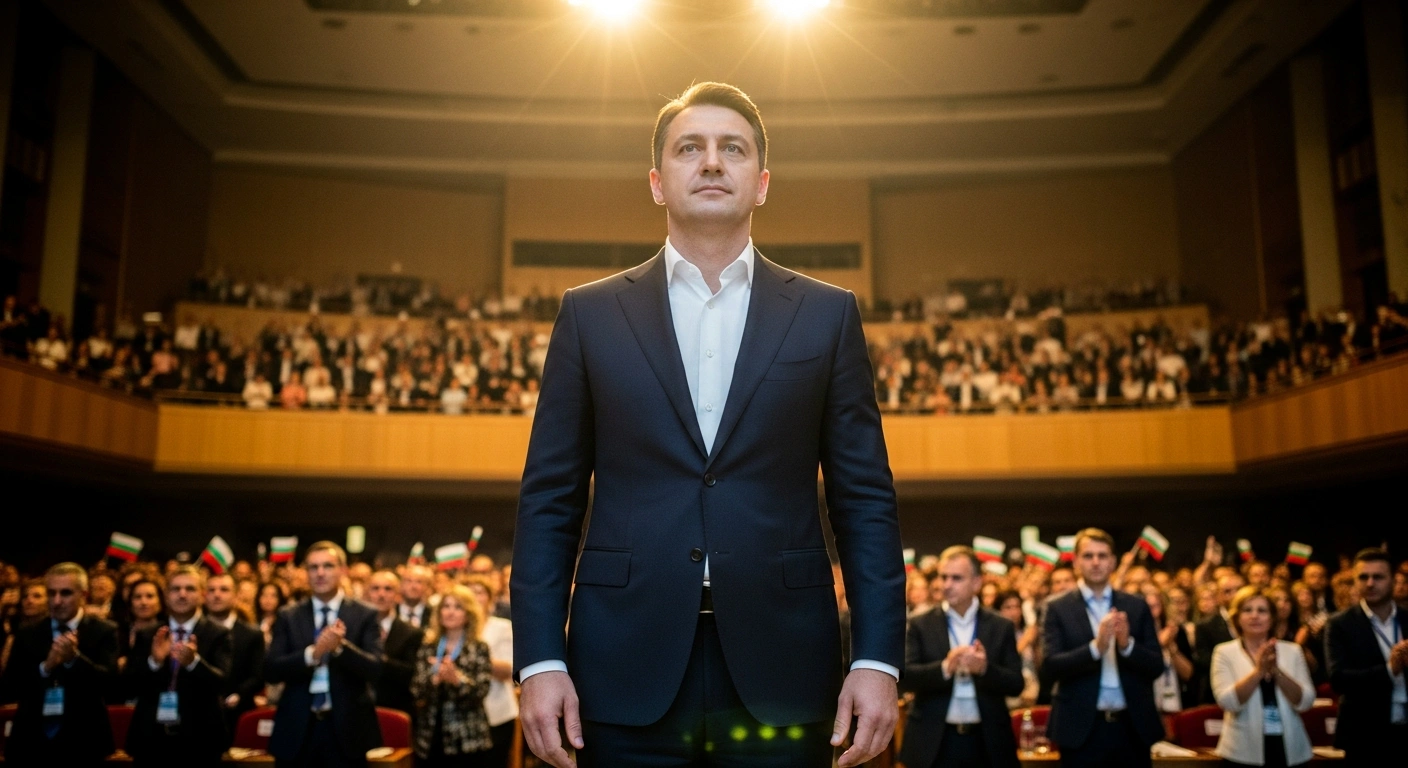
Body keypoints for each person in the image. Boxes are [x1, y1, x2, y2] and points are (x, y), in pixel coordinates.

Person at [511, 81, 904, 768]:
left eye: (734, 149)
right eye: (691, 148)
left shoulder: (827, 314)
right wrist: (539, 659)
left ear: (762, 183)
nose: (713, 162)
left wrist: (877, 659)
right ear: (659, 182)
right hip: (620, 667)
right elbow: (549, 502)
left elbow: (865, 502)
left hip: (784, 667)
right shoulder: (589, 315)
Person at [1041, 529, 1164, 768]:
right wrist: (1095, 648)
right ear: (1075, 561)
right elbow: (1050, 666)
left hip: (1131, 727)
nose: (1096, 562)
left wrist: (1127, 646)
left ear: (1113, 562)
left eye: (1102, 555)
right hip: (1080, 729)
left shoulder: (1136, 605)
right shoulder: (1057, 607)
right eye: (1088, 556)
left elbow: (1156, 665)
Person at [264, 541, 384, 768]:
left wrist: (339, 648)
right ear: (305, 572)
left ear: (343, 570)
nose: (320, 573)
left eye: (327, 566)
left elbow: (375, 669)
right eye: (313, 567)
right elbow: (270, 670)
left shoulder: (364, 613)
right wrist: (313, 654)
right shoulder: (289, 615)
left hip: (347, 730)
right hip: (298, 728)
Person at [899, 547, 1022, 768]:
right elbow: (906, 676)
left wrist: (984, 668)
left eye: (956, 578)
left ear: (976, 582)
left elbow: (1016, 683)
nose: (946, 584)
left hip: (987, 741)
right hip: (934, 740)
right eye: (944, 577)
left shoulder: (1000, 625)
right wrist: (946, 667)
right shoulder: (921, 623)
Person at [0, 562, 120, 768]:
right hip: (32, 740)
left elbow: (110, 684)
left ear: (83, 595)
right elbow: (10, 685)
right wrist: (46, 667)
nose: (56, 601)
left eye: (65, 593)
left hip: (85, 739)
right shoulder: (27, 632)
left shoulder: (104, 631)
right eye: (51, 593)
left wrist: (74, 659)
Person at [121, 566, 234, 768]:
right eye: (175, 589)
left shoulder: (218, 633)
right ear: (166, 595)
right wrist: (154, 662)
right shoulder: (148, 634)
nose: (182, 594)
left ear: (202, 594)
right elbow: (128, 685)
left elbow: (222, 683)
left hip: (201, 738)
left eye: (190, 589)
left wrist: (194, 663)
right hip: (152, 737)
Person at [1210, 586, 1316, 767]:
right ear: (1237, 617)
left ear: (1272, 617)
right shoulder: (1224, 652)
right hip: (1241, 752)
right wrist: (1259, 671)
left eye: (1262, 610)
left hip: (1290, 749)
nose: (1254, 616)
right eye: (1247, 610)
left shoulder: (1292, 651)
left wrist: (1276, 671)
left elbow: (1306, 701)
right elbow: (1227, 701)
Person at [1324, 548, 1408, 766]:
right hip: (1364, 734)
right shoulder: (1340, 624)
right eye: (1363, 577)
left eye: (1378, 577)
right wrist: (1389, 670)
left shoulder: (1407, 619)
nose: (1370, 583)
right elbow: (1339, 679)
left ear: (1393, 580)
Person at [410, 584, 495, 767]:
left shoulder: (478, 647)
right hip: (430, 736)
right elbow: (415, 689)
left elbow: (482, 690)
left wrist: (457, 680)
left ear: (468, 614)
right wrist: (435, 679)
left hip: (467, 739)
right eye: (446, 606)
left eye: (458, 607)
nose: (450, 612)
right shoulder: (428, 645)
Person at [206, 572, 267, 744]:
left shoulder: (252, 634)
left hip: (238, 714)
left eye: (224, 590)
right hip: (200, 713)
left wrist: (239, 694)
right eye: (211, 590)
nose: (217, 595)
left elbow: (258, 675)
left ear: (235, 595)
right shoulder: (196, 631)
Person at [467, 575, 518, 768]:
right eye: (469, 592)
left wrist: (472, 658)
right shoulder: (454, 628)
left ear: (489, 598)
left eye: (479, 592)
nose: (474, 597)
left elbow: (509, 669)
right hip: (464, 714)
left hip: (496, 710)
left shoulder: (501, 626)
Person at [367, 569, 424, 722]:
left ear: (398, 595)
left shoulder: (411, 632)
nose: (381, 594)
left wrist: (378, 660)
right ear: (367, 593)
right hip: (360, 709)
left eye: (388, 589)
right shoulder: (355, 626)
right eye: (375, 588)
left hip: (395, 709)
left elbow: (411, 673)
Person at [1195, 572, 1246, 704]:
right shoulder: (1205, 626)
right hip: (1219, 696)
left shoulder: (1258, 623)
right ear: (1218, 596)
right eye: (1227, 591)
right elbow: (1204, 662)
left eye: (1239, 590)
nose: (1235, 595)